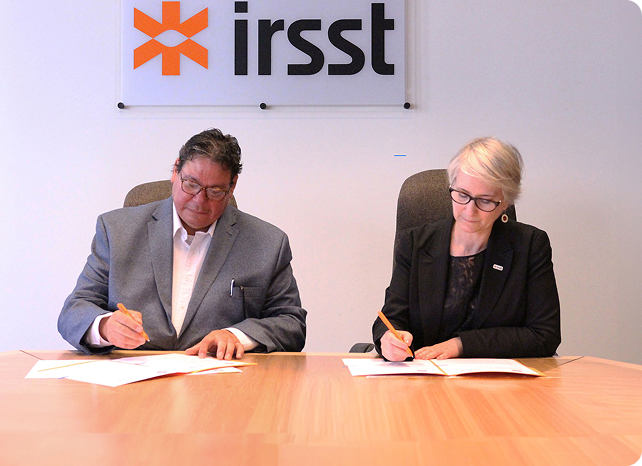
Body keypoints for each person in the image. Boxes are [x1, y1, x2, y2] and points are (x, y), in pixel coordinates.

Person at [59, 128, 306, 359]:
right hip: (134, 375)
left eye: (214, 191)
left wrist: (237, 336)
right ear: (175, 171)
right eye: (191, 184)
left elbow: (291, 323)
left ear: (232, 187)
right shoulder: (116, 230)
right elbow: (73, 311)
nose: (199, 200)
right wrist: (105, 327)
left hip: (219, 376)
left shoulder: (267, 243)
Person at [373, 137, 561, 361]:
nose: (469, 211)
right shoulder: (415, 243)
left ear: (506, 201)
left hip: (496, 379)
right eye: (462, 195)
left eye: (485, 200)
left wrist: (461, 345)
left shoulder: (530, 246)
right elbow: (391, 318)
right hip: (424, 374)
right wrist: (389, 339)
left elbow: (544, 335)